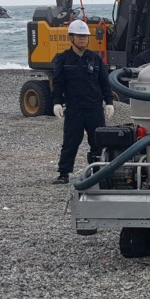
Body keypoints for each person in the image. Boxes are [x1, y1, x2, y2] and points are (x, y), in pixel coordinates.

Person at [51, 19, 114, 184]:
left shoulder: (95, 59)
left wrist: (109, 102)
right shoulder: (63, 59)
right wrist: (57, 102)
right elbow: (58, 84)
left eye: (85, 36)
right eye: (79, 37)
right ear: (71, 38)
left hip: (94, 108)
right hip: (74, 109)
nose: (83, 39)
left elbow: (104, 83)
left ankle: (98, 172)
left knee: (98, 142)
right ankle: (63, 173)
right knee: (70, 142)